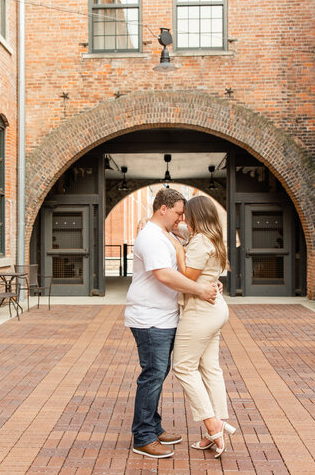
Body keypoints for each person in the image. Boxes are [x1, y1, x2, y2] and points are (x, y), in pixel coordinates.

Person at [125, 188, 219, 459]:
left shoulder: (164, 234)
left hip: (163, 316)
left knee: (158, 373)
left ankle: (153, 427)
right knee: (153, 375)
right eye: (178, 213)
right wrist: (199, 290)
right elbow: (164, 275)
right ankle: (143, 437)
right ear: (162, 209)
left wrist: (205, 282)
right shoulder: (152, 236)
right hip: (149, 317)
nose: (181, 218)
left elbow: (191, 256)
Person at [168, 196, 237, 458]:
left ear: (197, 216)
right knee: (210, 368)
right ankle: (215, 429)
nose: (183, 219)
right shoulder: (215, 239)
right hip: (216, 308)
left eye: (187, 215)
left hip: (200, 311)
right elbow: (181, 232)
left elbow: (188, 277)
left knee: (183, 367)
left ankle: (212, 423)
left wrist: (177, 250)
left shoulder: (199, 242)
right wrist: (176, 235)